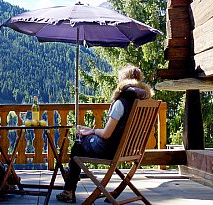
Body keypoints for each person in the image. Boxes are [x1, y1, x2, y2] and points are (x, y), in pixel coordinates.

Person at [56, 64, 154, 203]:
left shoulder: (121, 103)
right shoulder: (144, 103)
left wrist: (91, 131)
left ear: (123, 81)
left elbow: (107, 134)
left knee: (79, 143)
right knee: (83, 141)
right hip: (130, 150)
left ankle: (69, 189)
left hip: (110, 150)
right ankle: (72, 173)